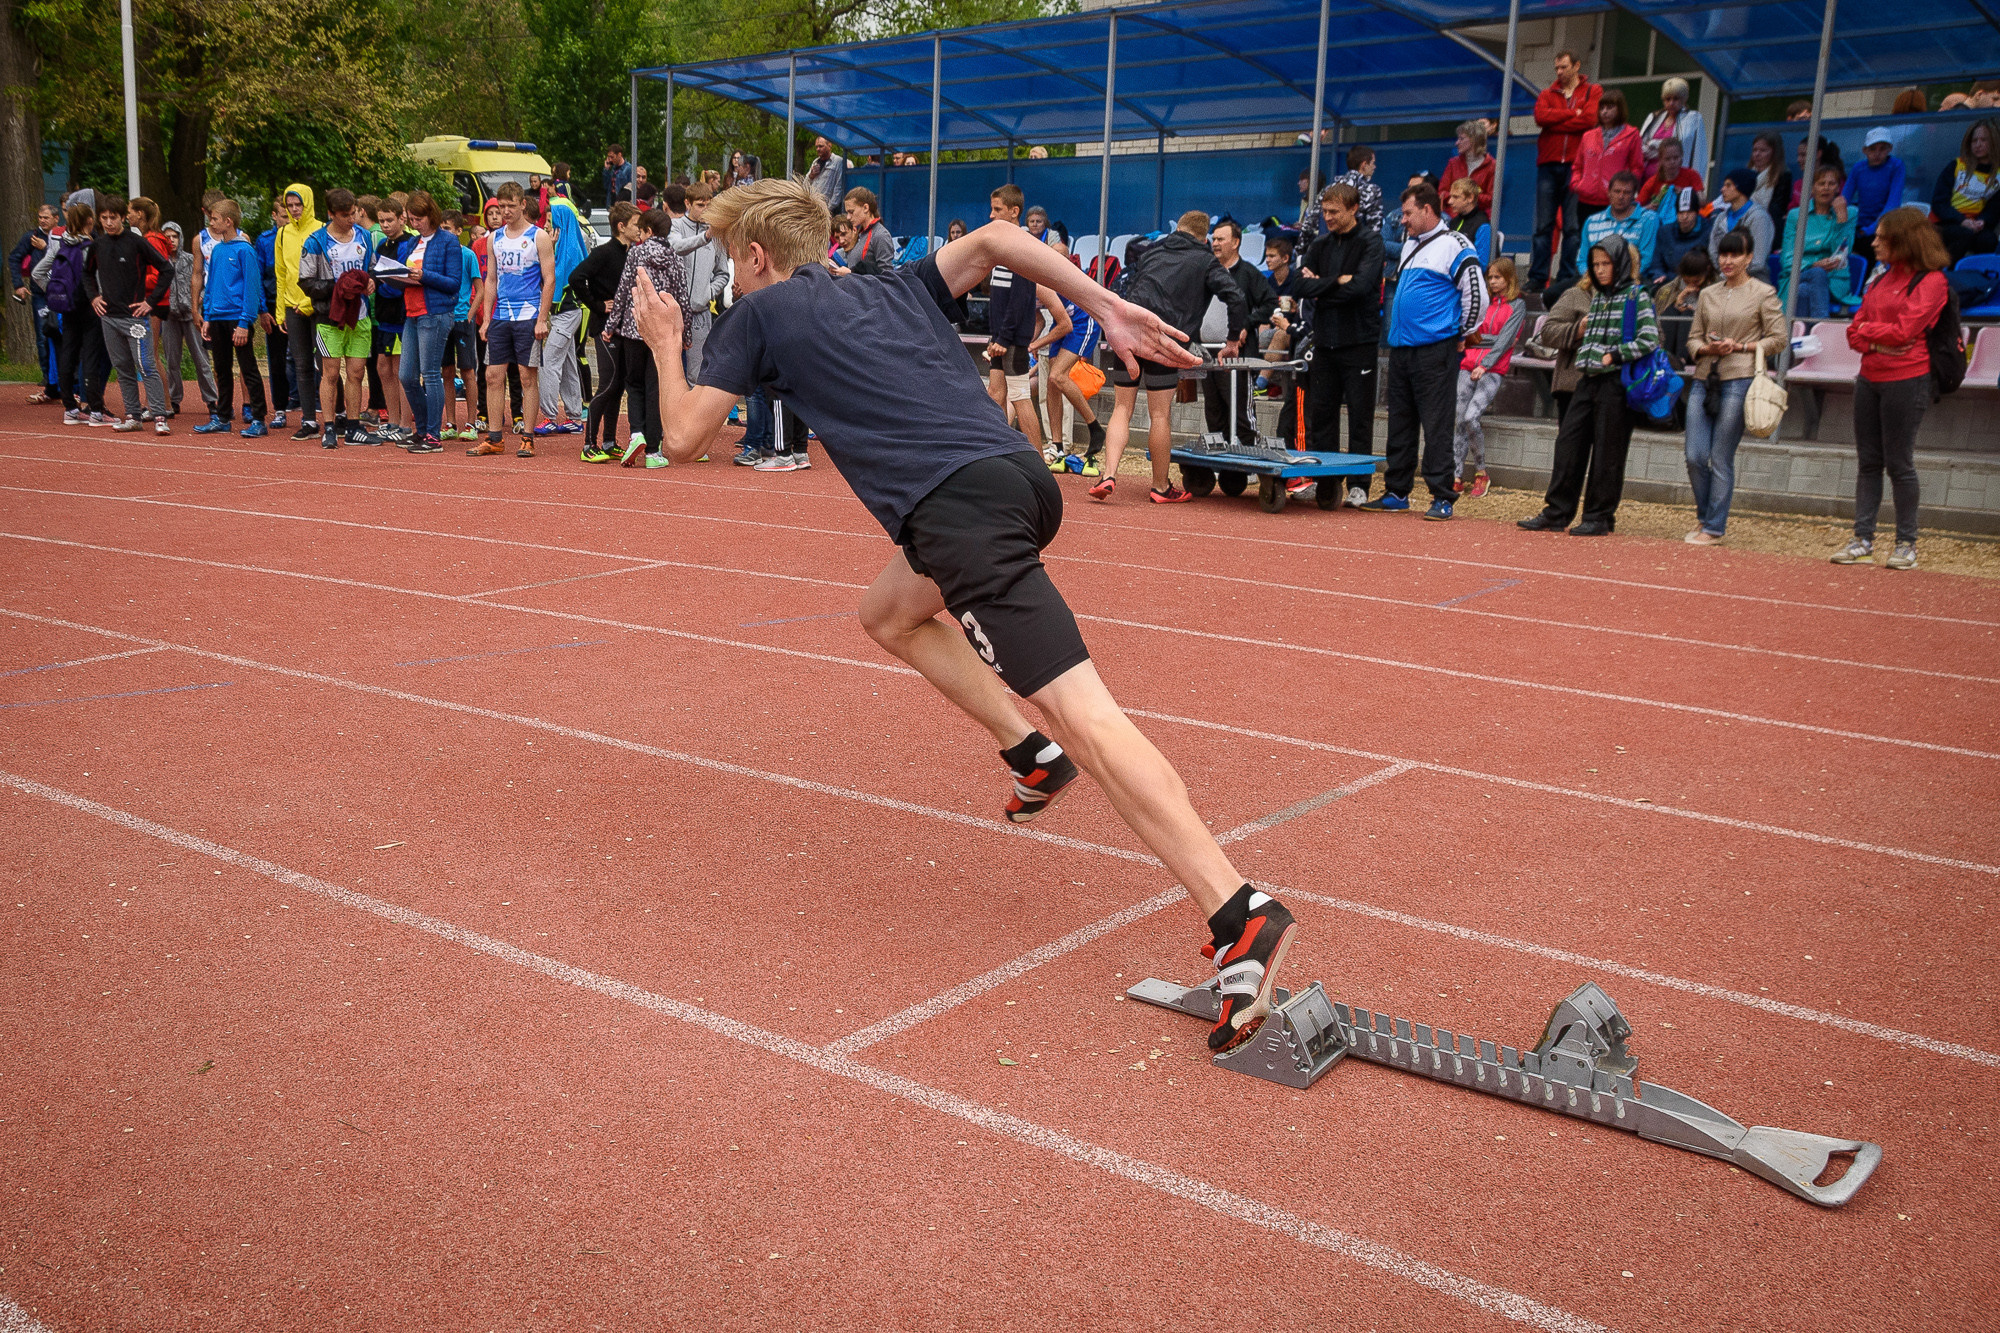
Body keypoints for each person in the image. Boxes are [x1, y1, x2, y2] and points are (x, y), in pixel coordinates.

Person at [633, 175, 1303, 1055]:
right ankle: (1031, 752)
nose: (732, 278)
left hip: (960, 514)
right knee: (890, 611)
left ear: (757, 255)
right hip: (1018, 478)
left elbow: (680, 435)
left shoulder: (762, 313)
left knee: (1089, 714)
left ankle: (1237, 908)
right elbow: (993, 240)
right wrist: (1103, 302)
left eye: (731, 260)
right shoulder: (886, 282)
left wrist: (665, 342)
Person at [1094, 209, 1244, 503]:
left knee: (1121, 409)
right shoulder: (1205, 260)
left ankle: (1108, 474)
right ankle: (1161, 486)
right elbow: (1235, 296)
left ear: (1178, 229)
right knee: (1159, 414)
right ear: (1203, 237)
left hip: (1132, 334)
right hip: (1166, 340)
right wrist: (1232, 339)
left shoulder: (1150, 253)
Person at [1517, 235, 1656, 536]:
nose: (1601, 269)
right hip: (1586, 378)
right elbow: (1559, 332)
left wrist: (1615, 355)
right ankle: (1556, 512)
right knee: (1568, 444)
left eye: (1607, 263)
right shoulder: (1597, 296)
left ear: (1621, 264)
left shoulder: (1637, 296)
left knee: (1609, 451)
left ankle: (1598, 515)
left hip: (1616, 381)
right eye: (1596, 264)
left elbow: (1650, 339)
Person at [1834, 209, 1950, 570]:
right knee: (1869, 462)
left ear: (1904, 240)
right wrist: (1877, 341)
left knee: (1899, 463)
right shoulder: (1881, 278)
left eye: (1882, 238)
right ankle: (1862, 539)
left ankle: (1906, 543)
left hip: (1907, 378)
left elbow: (1905, 331)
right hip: (1870, 376)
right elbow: (1854, 331)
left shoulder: (1932, 282)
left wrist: (1871, 334)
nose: (1874, 243)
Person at [1364, 182, 1486, 520]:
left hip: (1436, 349)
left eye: (1407, 213)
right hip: (1402, 348)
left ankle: (1442, 494)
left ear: (1428, 210)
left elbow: (1476, 293)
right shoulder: (1409, 246)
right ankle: (1397, 490)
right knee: (1400, 422)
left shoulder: (1455, 244)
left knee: (1436, 424)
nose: (1401, 220)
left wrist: (1463, 332)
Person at [1682, 230, 1784, 546]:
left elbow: (1779, 338)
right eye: (1724, 255)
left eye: (1735, 255)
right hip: (1704, 377)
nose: (1727, 261)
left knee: (1720, 455)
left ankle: (1713, 526)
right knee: (1694, 455)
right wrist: (1706, 349)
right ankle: (1705, 518)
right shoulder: (1708, 294)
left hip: (1740, 378)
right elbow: (1692, 339)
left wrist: (1741, 347)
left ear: (1749, 257)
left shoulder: (1763, 293)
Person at [1290, 183, 1384, 504]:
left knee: (1360, 415)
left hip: (1360, 342)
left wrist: (1322, 286)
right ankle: (1325, 482)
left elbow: (1361, 288)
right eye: (1324, 212)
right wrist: (1334, 282)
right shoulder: (1319, 244)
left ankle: (1359, 484)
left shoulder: (1371, 242)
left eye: (1334, 212)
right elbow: (1299, 286)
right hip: (1325, 343)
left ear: (1353, 209)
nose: (1327, 218)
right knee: (1323, 415)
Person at [983, 184, 1069, 464]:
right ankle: (996, 452)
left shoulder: (1021, 244)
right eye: (992, 208)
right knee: (995, 394)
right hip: (1001, 337)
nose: (992, 215)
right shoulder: (1001, 244)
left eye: (998, 210)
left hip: (1012, 340)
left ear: (1013, 211)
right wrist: (994, 336)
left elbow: (1020, 300)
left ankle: (1035, 460)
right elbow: (998, 296)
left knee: (1019, 397)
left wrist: (1004, 338)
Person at [471, 181, 554, 458]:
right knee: (493, 375)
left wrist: (542, 318)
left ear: (522, 205)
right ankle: (495, 437)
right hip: (500, 316)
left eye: (510, 205)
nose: (505, 211)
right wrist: (486, 319)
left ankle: (527, 437)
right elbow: (491, 279)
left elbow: (549, 279)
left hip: (528, 315)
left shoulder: (538, 237)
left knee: (526, 376)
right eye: (500, 206)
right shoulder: (494, 238)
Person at [606, 206, 690, 467]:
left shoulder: (637, 253)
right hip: (662, 333)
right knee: (656, 388)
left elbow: (623, 289)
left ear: (648, 231)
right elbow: (682, 297)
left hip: (635, 327)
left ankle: (636, 433)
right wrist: (684, 333)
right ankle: (654, 450)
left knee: (634, 384)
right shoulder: (675, 258)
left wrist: (611, 324)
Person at [82, 193, 173, 434]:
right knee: (122, 367)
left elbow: (166, 269)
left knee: (146, 366)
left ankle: (159, 416)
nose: (109, 222)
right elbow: (87, 274)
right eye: (104, 218)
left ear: (123, 217)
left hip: (136, 317)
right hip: (109, 317)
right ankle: (133, 415)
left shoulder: (136, 242)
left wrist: (150, 302)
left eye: (113, 217)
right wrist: (94, 297)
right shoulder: (97, 245)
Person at [298, 187, 379, 449]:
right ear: (331, 214)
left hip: (361, 316)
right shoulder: (315, 241)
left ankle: (354, 427)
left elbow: (373, 269)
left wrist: (370, 283)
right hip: (329, 318)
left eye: (354, 213)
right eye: (345, 215)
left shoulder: (365, 237)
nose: (351, 219)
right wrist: (340, 287)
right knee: (330, 374)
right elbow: (306, 282)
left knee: (356, 373)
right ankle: (330, 427)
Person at [193, 199, 269, 438]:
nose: (211, 222)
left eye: (214, 219)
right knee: (222, 369)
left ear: (228, 221)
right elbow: (212, 284)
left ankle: (259, 418)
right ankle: (223, 417)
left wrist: (245, 322)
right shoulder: (216, 250)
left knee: (248, 369)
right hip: (217, 318)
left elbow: (251, 289)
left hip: (237, 318)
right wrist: (207, 316)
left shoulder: (245, 250)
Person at [394, 190, 461, 453]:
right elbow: (405, 274)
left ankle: (433, 435)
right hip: (412, 313)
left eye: (418, 218)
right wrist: (394, 277)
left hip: (435, 313)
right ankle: (421, 430)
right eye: (410, 218)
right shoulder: (412, 243)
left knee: (431, 374)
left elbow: (454, 284)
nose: (414, 223)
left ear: (430, 215)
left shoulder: (448, 242)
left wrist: (423, 275)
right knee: (406, 375)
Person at [572, 202, 639, 463]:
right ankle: (589, 444)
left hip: (625, 328)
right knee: (608, 384)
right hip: (604, 327)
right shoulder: (604, 253)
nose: (639, 229)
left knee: (619, 384)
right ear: (621, 227)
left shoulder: (632, 253)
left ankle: (610, 441)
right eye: (635, 224)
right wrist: (598, 305)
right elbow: (576, 277)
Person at [1453, 257, 1524, 499]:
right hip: (1467, 365)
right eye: (1490, 277)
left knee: (1472, 417)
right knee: (1459, 419)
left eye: (1498, 277)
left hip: (1491, 370)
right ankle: (1456, 475)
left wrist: (1485, 362)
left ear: (1509, 278)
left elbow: (1506, 340)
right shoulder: (1485, 304)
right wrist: (1484, 342)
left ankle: (1482, 472)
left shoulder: (1518, 306)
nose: (1493, 282)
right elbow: (1473, 334)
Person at [1531, 50, 1601, 295]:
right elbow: (1541, 117)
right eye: (1557, 68)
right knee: (1543, 225)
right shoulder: (1547, 93)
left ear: (1576, 66)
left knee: (1572, 226)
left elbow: (1590, 120)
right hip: (1549, 164)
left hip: (1575, 164)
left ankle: (1567, 276)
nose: (1559, 72)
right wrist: (1573, 114)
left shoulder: (1593, 91)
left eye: (1563, 67)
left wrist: (1556, 121)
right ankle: (1538, 276)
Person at [1200, 219, 1275, 450]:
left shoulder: (1248, 273)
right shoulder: (1206, 271)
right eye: (1213, 239)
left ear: (1236, 242)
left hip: (1237, 355)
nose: (1215, 243)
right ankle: (1221, 463)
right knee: (1213, 412)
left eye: (1221, 239)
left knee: (1241, 412)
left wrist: (1246, 324)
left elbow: (1270, 302)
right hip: (1208, 353)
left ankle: (1251, 457)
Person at [38, 202, 110, 425]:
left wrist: (52, 291)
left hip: (67, 307)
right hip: (90, 307)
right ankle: (96, 410)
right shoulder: (93, 247)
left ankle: (70, 408)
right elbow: (99, 280)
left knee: (67, 354)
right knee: (90, 357)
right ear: (90, 221)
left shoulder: (61, 246)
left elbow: (37, 272)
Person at [1041, 233, 1108, 469]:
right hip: (1062, 324)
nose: (1057, 259)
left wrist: (1034, 345)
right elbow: (1037, 317)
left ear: (1069, 261)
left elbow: (1067, 325)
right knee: (1051, 384)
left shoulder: (1070, 276)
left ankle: (1095, 428)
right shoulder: (1039, 275)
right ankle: (1056, 446)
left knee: (1057, 376)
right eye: (1053, 255)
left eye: (1062, 256)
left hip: (1081, 323)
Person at [532, 197, 589, 436]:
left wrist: (551, 249)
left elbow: (556, 278)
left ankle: (549, 415)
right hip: (564, 313)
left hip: (567, 312)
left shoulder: (570, 248)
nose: (546, 225)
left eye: (549, 220)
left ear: (561, 222)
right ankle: (575, 416)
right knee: (567, 364)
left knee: (548, 363)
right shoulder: (563, 244)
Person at [272, 184, 322, 439]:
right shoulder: (283, 234)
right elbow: (281, 273)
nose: (294, 210)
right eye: (290, 205)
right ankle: (310, 420)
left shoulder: (321, 229)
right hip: (292, 306)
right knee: (301, 364)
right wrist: (281, 312)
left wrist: (310, 302)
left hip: (317, 305)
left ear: (308, 203)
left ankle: (340, 415)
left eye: (298, 205)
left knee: (327, 363)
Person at [155, 223, 218, 420]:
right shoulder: (159, 260)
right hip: (169, 315)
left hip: (191, 315)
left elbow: (205, 280)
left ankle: (211, 400)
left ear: (180, 237)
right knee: (172, 359)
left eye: (174, 236)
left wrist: (200, 300)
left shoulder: (191, 259)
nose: (171, 240)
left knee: (201, 358)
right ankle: (174, 399)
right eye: (167, 237)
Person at [1779, 164, 1857, 318]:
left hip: (1833, 278)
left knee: (1804, 291)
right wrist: (1813, 265)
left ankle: (1797, 336)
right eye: (1821, 184)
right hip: (1797, 274)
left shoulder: (1850, 212)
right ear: (1812, 188)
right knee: (1816, 273)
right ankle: (1820, 327)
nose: (1826, 188)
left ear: (1837, 188)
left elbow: (1841, 254)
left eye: (1831, 184)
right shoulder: (1796, 215)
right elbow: (1787, 259)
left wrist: (1841, 222)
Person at [670, 185, 729, 386]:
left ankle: (690, 417)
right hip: (674, 311)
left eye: (709, 205)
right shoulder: (676, 226)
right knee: (670, 371)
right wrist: (705, 237)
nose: (705, 209)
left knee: (696, 375)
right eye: (700, 205)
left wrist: (708, 292)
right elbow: (677, 247)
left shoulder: (717, 234)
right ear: (688, 204)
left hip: (700, 311)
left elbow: (723, 273)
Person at [1571, 90, 1642, 243]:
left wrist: (1626, 192)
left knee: (1610, 244)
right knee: (1586, 243)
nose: (1604, 112)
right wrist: (1577, 185)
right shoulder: (1588, 136)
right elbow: (1577, 166)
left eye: (1610, 107)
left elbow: (1636, 167)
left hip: (1613, 202)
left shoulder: (1632, 135)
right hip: (1586, 201)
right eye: (1602, 108)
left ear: (1620, 109)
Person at [10, 203, 64, 403]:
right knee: (43, 334)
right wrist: (18, 285)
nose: (42, 220)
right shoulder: (30, 237)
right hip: (40, 294)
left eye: (46, 217)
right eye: (40, 217)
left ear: (56, 218)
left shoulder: (63, 235)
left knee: (63, 334)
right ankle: (47, 379)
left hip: (60, 294)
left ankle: (66, 380)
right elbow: (14, 258)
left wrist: (46, 247)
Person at [370, 196, 412, 441]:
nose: (385, 225)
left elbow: (403, 279)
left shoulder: (408, 243)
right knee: (382, 368)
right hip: (383, 316)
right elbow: (376, 272)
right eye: (381, 221)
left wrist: (384, 285)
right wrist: (371, 282)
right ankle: (393, 421)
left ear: (401, 219)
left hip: (401, 315)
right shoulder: (381, 246)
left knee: (400, 370)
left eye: (389, 220)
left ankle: (406, 424)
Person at [438, 212, 482, 440]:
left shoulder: (467, 255)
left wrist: (470, 314)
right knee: (446, 371)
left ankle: (471, 423)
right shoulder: (438, 256)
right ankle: (450, 422)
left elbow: (480, 288)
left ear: (458, 231)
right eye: (441, 228)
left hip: (463, 320)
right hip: (443, 319)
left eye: (447, 228)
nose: (443, 232)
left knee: (468, 371)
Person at [1932, 118, 2000, 264]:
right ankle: (1944, 273)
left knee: (1989, 240)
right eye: (1974, 141)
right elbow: (1939, 203)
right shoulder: (1956, 165)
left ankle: (1978, 279)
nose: (1978, 145)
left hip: (1976, 223)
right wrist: (1962, 220)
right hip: (1946, 222)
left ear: (1994, 142)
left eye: (1983, 140)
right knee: (1963, 234)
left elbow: (1994, 208)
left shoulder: (1998, 174)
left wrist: (1983, 221)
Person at [1583, 172, 1659, 278]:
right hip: (1593, 278)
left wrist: (1617, 280)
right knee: (1556, 292)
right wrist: (1593, 278)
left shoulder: (1648, 219)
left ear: (1634, 195)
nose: (1621, 196)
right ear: (1609, 192)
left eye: (1627, 192)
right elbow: (1582, 259)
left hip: (1629, 281)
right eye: (1617, 191)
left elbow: (1645, 260)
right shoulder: (1592, 221)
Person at [1653, 245, 1713, 366]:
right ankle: (1665, 357)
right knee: (1671, 311)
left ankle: (1681, 360)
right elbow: (1659, 313)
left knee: (1687, 315)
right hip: (1674, 336)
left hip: (1700, 337)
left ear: (1707, 272)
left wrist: (1696, 310)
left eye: (1696, 281)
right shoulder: (1670, 288)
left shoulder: (1715, 286)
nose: (1691, 285)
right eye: (1687, 281)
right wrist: (1679, 300)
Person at [1636, 77, 1707, 180]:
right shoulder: (1654, 117)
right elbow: (1640, 148)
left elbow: (1699, 155)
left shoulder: (1694, 119)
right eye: (1668, 99)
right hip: (1648, 181)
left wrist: (1654, 144)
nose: (1671, 103)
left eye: (1676, 98)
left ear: (1684, 99)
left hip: (1676, 181)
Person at [1844, 129, 1906, 243]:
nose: (1877, 153)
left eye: (1882, 148)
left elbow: (1893, 204)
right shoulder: (1858, 168)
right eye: (1872, 149)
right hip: (1859, 227)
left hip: (1885, 227)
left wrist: (1869, 230)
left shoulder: (1896, 166)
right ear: (1865, 150)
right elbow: (1845, 198)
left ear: (1890, 149)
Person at [1710, 169, 1775, 270]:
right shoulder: (1721, 217)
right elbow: (1713, 252)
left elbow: (1758, 260)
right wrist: (1723, 275)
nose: (1722, 189)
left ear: (1741, 188)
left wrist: (1732, 275)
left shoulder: (1759, 217)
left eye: (1728, 185)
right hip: (1723, 279)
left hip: (1752, 281)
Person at [1651, 187, 1709, 285]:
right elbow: (1656, 263)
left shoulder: (1708, 231)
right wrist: (1659, 275)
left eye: (1689, 212)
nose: (1685, 217)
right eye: (1681, 212)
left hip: (1697, 282)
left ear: (1697, 212)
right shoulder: (1665, 232)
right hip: (1668, 282)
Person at [1440, 120, 1495, 214]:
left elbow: (1492, 199)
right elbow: (1442, 193)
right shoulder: (1453, 163)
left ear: (1474, 140)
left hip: (1478, 218)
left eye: (1461, 139)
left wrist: (1466, 195)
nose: (1457, 143)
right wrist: (1464, 197)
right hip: (1453, 218)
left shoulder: (1492, 165)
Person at [838, 187, 897, 273]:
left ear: (866, 208)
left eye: (851, 212)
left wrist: (850, 273)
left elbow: (887, 276)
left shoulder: (880, 235)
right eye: (847, 212)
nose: (848, 217)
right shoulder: (861, 234)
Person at [1330, 144, 1384, 234]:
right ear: (1364, 164)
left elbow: (1310, 223)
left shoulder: (1330, 189)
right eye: (1373, 163)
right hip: (1358, 245)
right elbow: (1374, 229)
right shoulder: (1372, 191)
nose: (1374, 167)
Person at [1747, 132, 1792, 237]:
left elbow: (1777, 209)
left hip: (1767, 227)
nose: (1757, 154)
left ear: (1774, 153)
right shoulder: (1747, 174)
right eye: (1755, 150)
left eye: (1763, 150)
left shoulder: (1783, 175)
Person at [1638, 137, 1702, 211]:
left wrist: (1684, 194)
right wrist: (1648, 207)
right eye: (1667, 159)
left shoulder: (1692, 175)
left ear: (1681, 157)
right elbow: (1635, 209)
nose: (1672, 162)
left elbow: (1702, 201)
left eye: (1676, 158)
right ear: (1660, 160)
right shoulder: (1652, 182)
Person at [1445, 179, 1490, 253]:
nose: (1450, 201)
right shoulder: (1454, 222)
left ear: (1470, 198)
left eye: (1455, 197)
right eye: (1450, 197)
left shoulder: (1482, 225)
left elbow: (1482, 262)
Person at [602, 145, 634, 212]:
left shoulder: (628, 168)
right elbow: (606, 186)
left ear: (619, 154)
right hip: (611, 201)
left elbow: (630, 188)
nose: (610, 159)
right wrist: (606, 169)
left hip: (622, 202)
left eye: (612, 157)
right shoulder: (613, 168)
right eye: (609, 157)